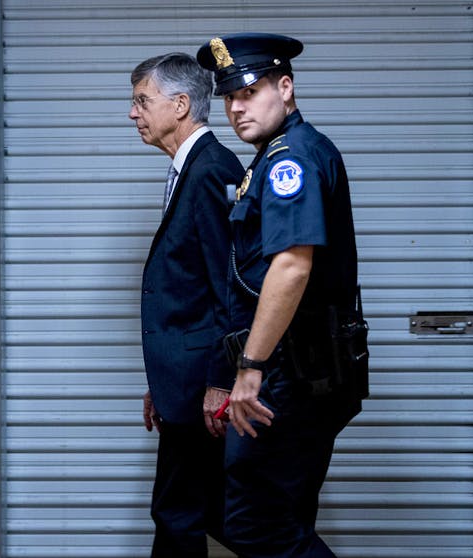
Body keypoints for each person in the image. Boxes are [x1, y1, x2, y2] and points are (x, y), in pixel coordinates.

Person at [197, 33, 369, 557]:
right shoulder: (276, 155)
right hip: (296, 368)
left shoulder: (291, 159)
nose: (237, 108)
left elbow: (292, 266)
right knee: (283, 519)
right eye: (229, 97)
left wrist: (250, 367)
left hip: (291, 372)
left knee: (258, 526)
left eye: (250, 92)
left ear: (286, 88)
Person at [129, 52, 244, 557]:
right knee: (207, 512)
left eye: (142, 101)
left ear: (180, 106)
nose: (133, 113)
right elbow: (191, 288)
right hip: (186, 381)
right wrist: (165, 381)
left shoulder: (211, 170)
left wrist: (220, 381)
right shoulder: (191, 168)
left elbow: (230, 287)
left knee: (181, 513)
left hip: (204, 385)